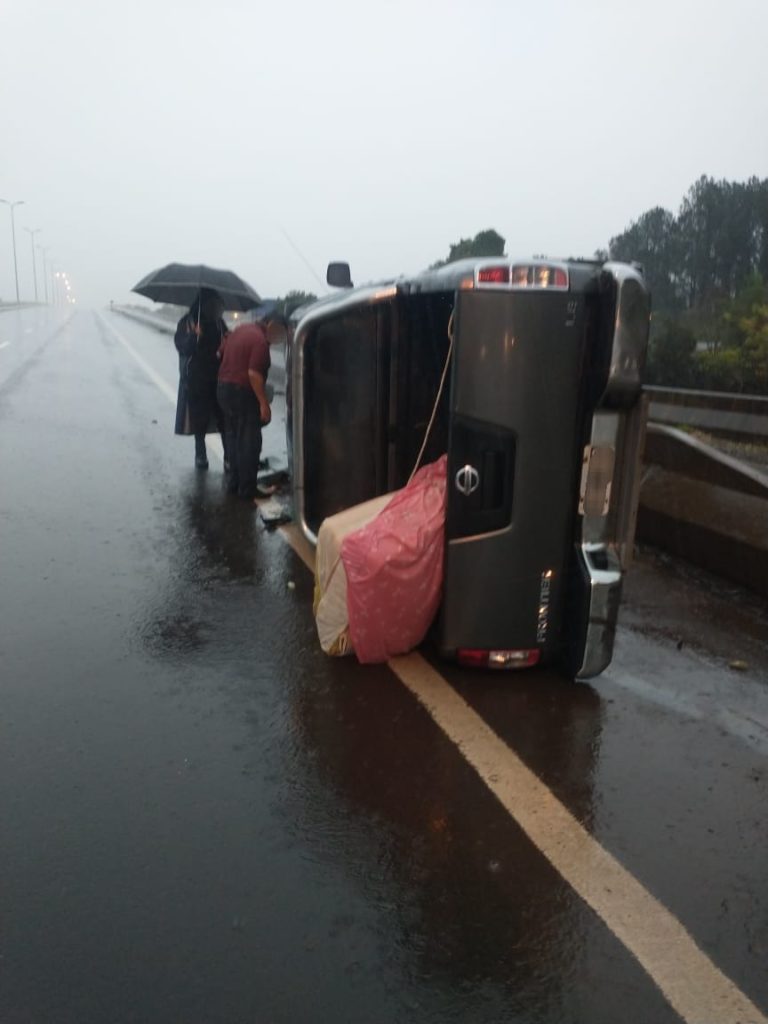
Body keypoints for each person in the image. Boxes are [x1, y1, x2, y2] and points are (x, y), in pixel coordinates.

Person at [217, 314, 278, 500]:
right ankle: (247, 489)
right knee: (249, 442)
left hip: (223, 389)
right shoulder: (260, 341)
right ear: (271, 324)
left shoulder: (240, 329)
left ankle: (234, 484)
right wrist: (263, 404)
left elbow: (219, 353)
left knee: (234, 439)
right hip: (241, 392)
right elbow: (254, 374)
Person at [174, 289, 228, 469]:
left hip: (219, 378)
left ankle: (229, 457)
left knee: (224, 419)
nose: (217, 309)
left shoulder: (219, 324)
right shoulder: (187, 322)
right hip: (196, 380)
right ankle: (200, 455)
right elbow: (183, 348)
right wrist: (194, 336)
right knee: (199, 420)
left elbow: (227, 346)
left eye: (218, 306)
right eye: (213, 305)